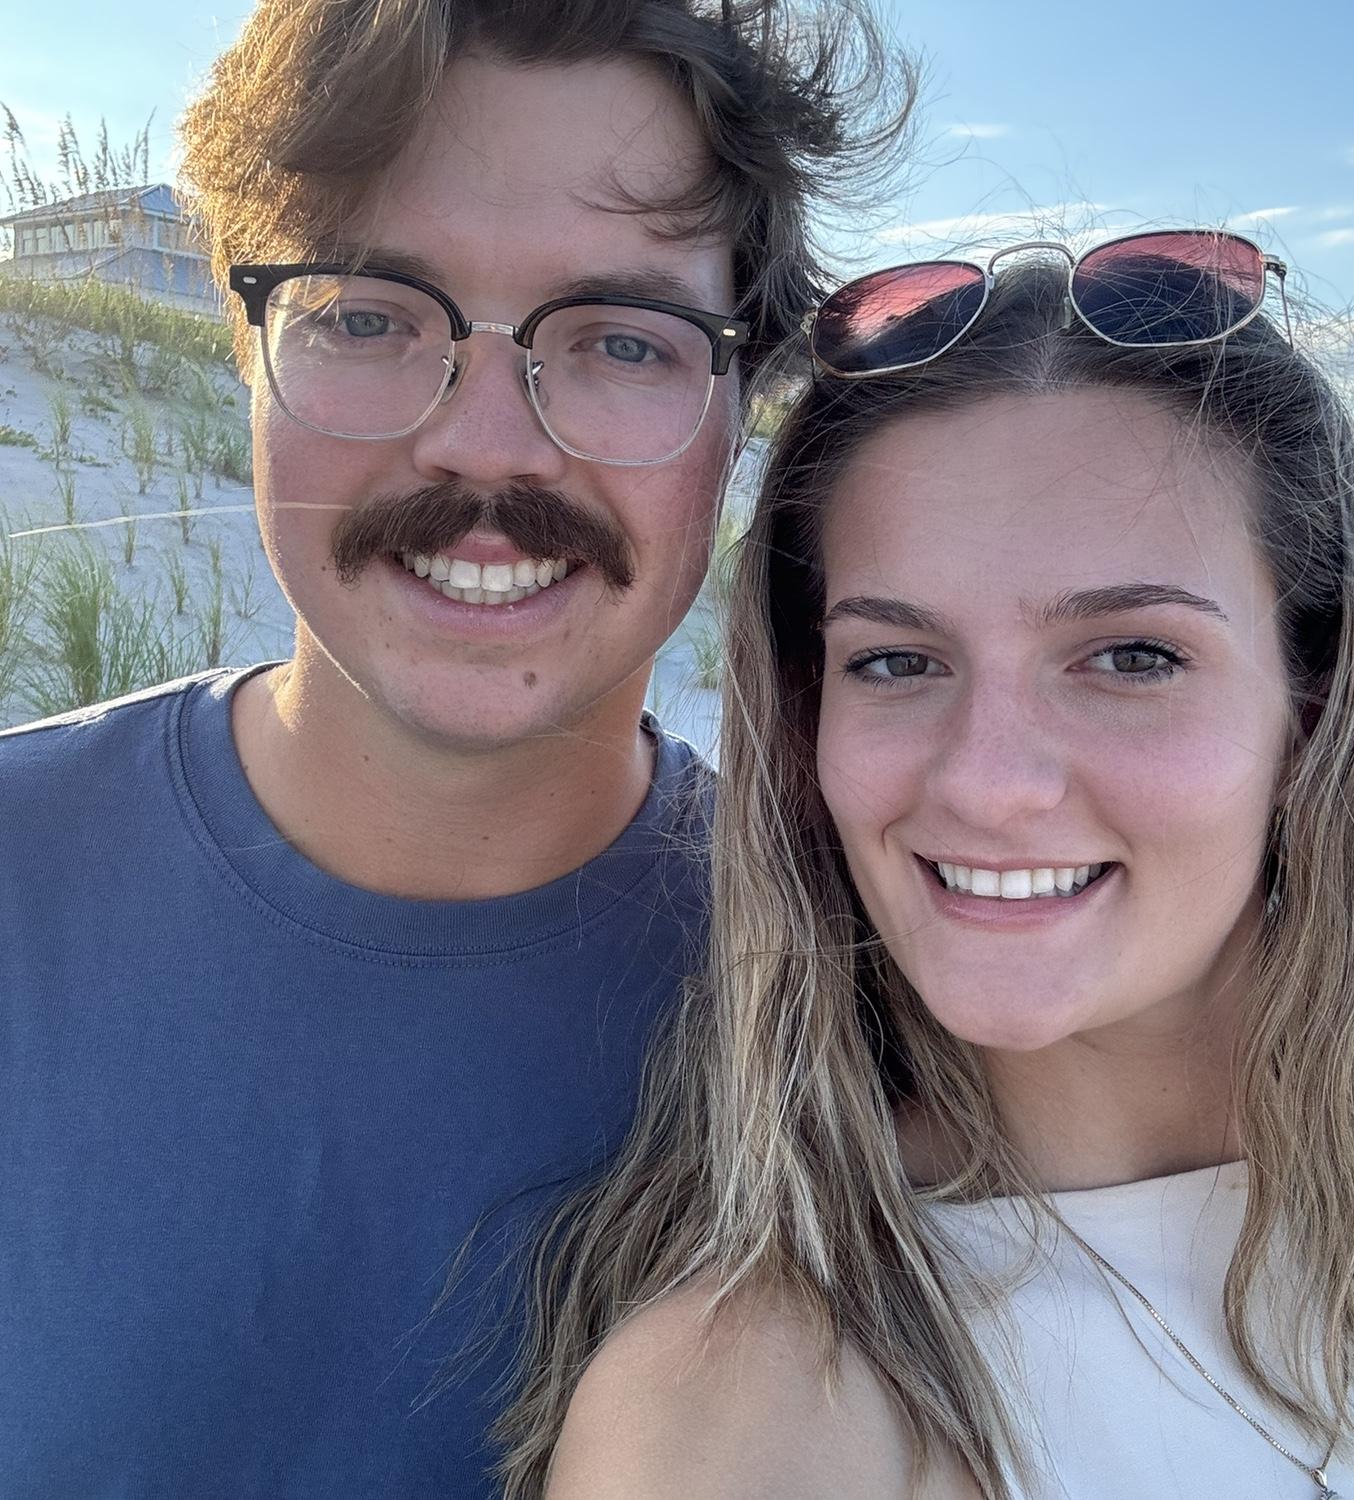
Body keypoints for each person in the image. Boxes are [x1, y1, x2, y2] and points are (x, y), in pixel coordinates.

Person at [0, 2, 913, 1492]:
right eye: (369, 314)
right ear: (247, 344)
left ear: (738, 409)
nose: (488, 444)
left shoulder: (876, 996)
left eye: (623, 338)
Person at [501, 235, 1354, 1499]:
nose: (986, 781)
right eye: (896, 661)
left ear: (1314, 713)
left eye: (1131, 656)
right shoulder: (749, 1415)